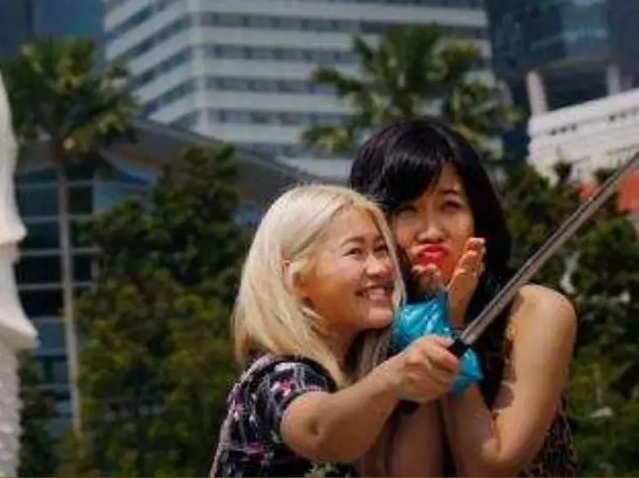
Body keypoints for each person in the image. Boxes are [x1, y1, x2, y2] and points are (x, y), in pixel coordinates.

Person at [349, 119, 578, 478]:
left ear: (477, 216)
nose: (431, 232)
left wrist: (448, 325)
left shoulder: (535, 311)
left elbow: (488, 466)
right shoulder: (367, 324)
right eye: (406, 210)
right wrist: (421, 327)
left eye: (450, 206)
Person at [211, 184, 469, 477]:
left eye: (381, 249)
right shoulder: (276, 378)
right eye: (356, 252)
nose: (381, 268)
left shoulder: (351, 383)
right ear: (297, 280)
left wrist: (427, 329)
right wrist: (392, 378)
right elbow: (320, 433)